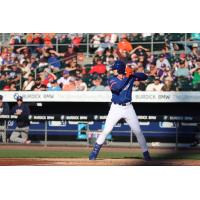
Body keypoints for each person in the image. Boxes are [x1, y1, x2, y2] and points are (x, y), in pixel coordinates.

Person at [89, 60, 151, 161]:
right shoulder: (111, 79)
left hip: (128, 108)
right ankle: (94, 152)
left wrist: (132, 73)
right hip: (116, 108)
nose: (113, 71)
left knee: (138, 131)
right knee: (106, 130)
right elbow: (118, 88)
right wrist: (127, 76)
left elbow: (145, 77)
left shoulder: (130, 76)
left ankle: (146, 154)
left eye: (115, 69)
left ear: (120, 69)